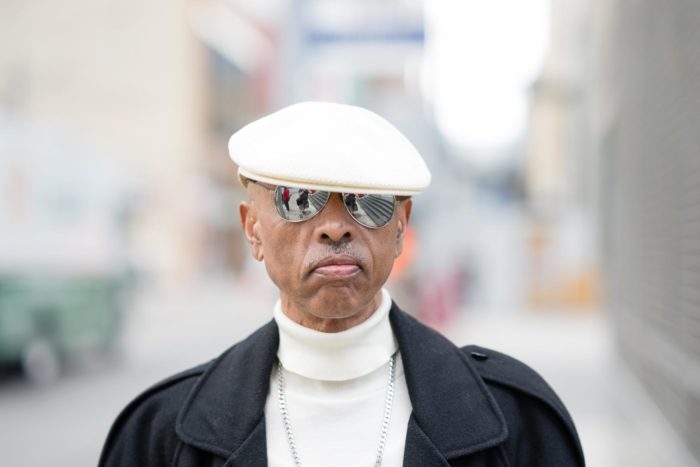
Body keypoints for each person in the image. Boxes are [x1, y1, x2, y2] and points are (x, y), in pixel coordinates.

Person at [99, 102, 585, 467]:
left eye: (365, 201)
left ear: (401, 226)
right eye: (297, 199)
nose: (335, 227)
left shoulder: (518, 421)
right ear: (252, 229)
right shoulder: (159, 435)